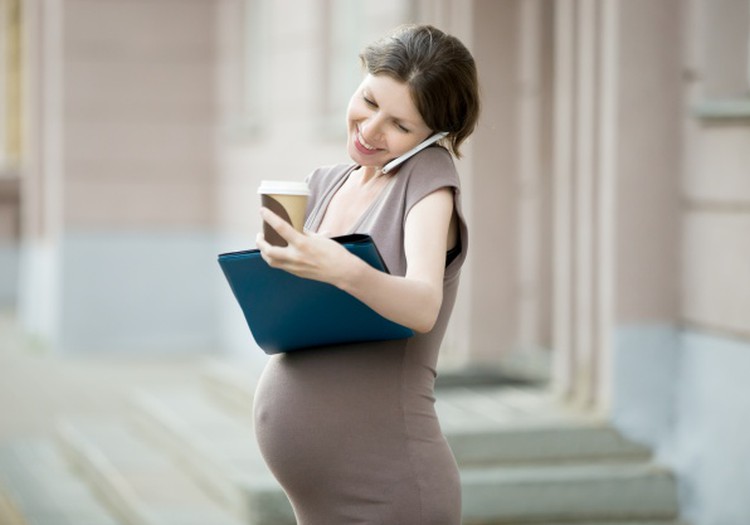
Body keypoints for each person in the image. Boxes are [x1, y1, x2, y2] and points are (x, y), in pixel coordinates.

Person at [253, 23, 480, 524]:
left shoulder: (428, 181)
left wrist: (343, 268)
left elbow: (422, 305)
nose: (372, 128)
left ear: (436, 137)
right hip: (322, 497)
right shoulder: (325, 182)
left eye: (401, 125)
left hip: (387, 490)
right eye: (370, 100)